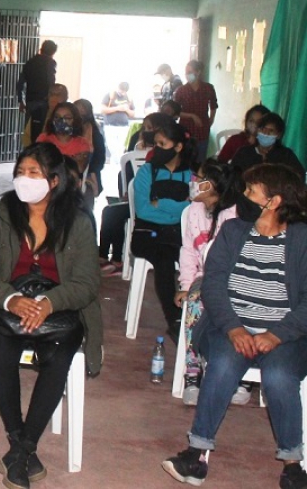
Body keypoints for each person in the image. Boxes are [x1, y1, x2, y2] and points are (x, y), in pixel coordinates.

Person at [0, 142, 102, 489]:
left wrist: (49, 303)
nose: (24, 179)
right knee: (0, 348)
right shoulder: (3, 214)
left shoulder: (78, 222)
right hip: (8, 306)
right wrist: (11, 299)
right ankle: (20, 441)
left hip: (59, 310)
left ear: (54, 180)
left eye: (33, 173)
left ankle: (22, 449)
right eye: (20, 172)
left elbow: (86, 283)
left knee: (60, 355)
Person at [162, 163, 307, 488]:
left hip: (285, 335)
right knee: (224, 364)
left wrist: (277, 334)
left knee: (280, 376)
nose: (243, 196)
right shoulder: (234, 231)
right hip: (230, 328)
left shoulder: (301, 239)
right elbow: (212, 285)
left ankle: (292, 465)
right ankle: (196, 455)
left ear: (274, 201)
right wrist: (234, 328)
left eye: (251, 191)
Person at [175, 159, 244, 406]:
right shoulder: (194, 210)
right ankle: (193, 372)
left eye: (199, 178)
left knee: (237, 306)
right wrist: (185, 285)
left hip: (231, 278)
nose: (193, 182)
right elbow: (188, 251)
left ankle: (237, 374)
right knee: (195, 303)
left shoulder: (234, 215)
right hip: (203, 277)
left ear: (213, 185)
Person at [130, 121, 197, 338]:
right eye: (156, 144)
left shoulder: (191, 175)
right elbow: (143, 210)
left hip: (177, 234)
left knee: (197, 259)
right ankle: (174, 319)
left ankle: (195, 318)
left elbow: (194, 209)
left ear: (178, 147)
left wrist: (162, 203)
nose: (157, 149)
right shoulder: (147, 172)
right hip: (147, 234)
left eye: (162, 144)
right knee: (164, 259)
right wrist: (179, 210)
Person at [97, 112, 174, 276]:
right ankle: (104, 257)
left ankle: (115, 260)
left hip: (155, 206)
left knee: (113, 214)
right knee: (111, 212)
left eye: (150, 128)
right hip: (138, 199)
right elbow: (127, 178)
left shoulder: (166, 156)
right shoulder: (140, 146)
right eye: (144, 128)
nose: (146, 132)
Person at [230, 112, 305, 178]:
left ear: (278, 135)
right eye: (263, 129)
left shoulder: (286, 155)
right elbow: (233, 175)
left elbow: (299, 176)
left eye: (271, 131)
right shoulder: (244, 153)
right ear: (257, 130)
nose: (266, 133)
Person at [174, 60, 218, 163]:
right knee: (185, 159)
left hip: (202, 130)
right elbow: (175, 112)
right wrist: (192, 116)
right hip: (186, 129)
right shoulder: (181, 90)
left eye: (190, 72)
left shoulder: (208, 88)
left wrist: (211, 119)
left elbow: (213, 105)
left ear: (198, 72)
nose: (187, 75)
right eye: (186, 72)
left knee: (200, 160)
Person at [16, 40, 57, 144]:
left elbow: (20, 83)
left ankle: (29, 150)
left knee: (29, 131)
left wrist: (21, 101)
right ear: (53, 52)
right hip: (44, 101)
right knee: (44, 132)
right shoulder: (50, 63)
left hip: (30, 101)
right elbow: (51, 82)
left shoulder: (30, 62)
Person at [36, 102, 92, 177]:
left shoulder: (82, 143)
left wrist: (52, 161)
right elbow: (38, 166)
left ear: (75, 120)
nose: (61, 121)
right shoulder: (43, 139)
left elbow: (79, 169)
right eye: (57, 117)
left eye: (67, 118)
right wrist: (71, 161)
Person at [73, 99, 106, 199]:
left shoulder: (96, 136)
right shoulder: (68, 133)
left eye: (83, 111)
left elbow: (100, 160)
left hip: (89, 176)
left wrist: (89, 172)